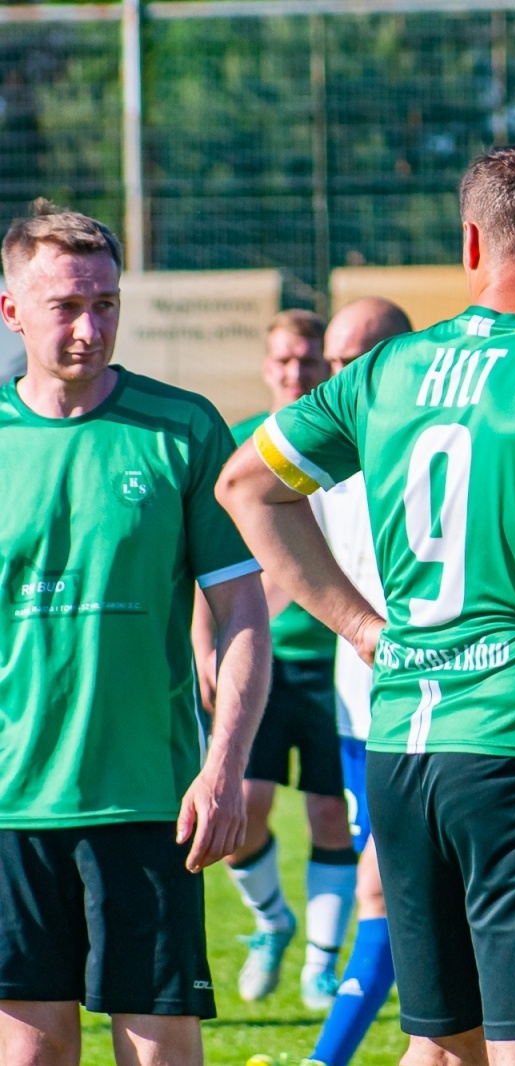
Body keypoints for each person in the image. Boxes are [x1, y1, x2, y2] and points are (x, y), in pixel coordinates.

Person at [217, 140, 515, 1066]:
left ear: (470, 244)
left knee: (444, 1050)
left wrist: (361, 627)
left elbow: (246, 487)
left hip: (402, 756)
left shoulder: (385, 373)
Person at [0, 200, 270, 1065]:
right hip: (12, 808)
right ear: (12, 311)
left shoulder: (182, 428)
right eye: (66, 307)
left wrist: (224, 768)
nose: (90, 327)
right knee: (32, 1056)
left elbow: (242, 613)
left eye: (107, 303)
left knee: (159, 1053)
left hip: (151, 799)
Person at [246, 297, 417, 1066]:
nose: (341, 381)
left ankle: (326, 1054)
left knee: (385, 893)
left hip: (438, 713)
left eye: (358, 362)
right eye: (336, 365)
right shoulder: (322, 461)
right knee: (397, 900)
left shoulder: (441, 451)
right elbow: (247, 511)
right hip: (358, 715)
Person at [195, 308, 359, 1008]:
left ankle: (322, 964)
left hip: (338, 666)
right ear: (267, 368)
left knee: (331, 814)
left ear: (327, 369)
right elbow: (206, 569)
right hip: (253, 662)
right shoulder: (236, 450)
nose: (297, 372)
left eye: (311, 362)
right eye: (286, 361)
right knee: (243, 811)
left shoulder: (348, 449)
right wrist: (204, 649)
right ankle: (272, 923)